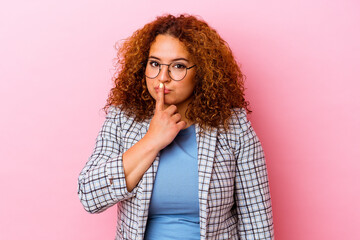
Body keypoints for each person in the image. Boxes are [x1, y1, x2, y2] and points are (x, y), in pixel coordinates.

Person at [77, 14, 274, 240]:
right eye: (154, 64)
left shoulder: (234, 128)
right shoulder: (123, 120)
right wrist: (152, 140)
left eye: (178, 66)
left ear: (201, 72)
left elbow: (258, 226)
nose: (162, 77)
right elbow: (89, 197)